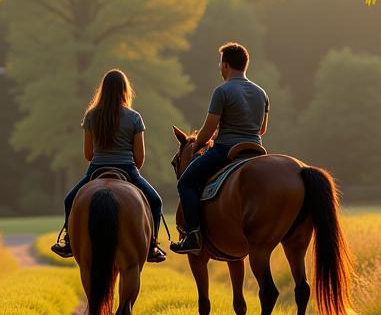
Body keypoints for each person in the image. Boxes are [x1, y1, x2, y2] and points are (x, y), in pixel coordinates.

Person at [52, 68, 166, 262]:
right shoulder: (134, 117)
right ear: (125, 90)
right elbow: (140, 158)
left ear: (103, 90)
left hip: (96, 168)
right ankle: (152, 246)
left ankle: (69, 241)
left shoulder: (91, 116)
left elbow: (88, 154)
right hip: (128, 169)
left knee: (69, 200)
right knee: (156, 202)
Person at [169, 41, 269, 255]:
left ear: (225, 65)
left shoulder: (222, 91)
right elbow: (261, 130)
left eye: (220, 64)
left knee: (186, 182)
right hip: (256, 150)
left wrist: (196, 146)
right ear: (245, 65)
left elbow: (208, 130)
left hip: (226, 150)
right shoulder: (262, 93)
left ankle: (193, 235)